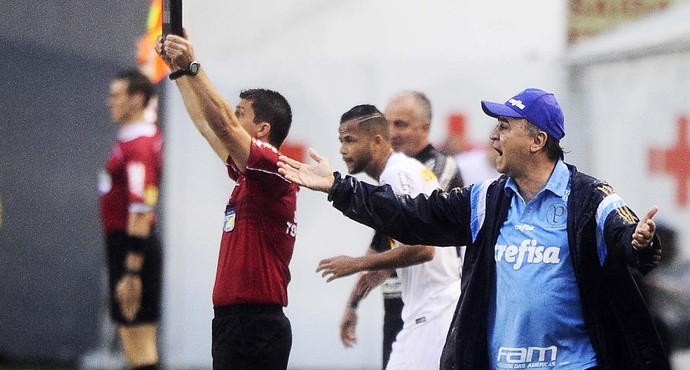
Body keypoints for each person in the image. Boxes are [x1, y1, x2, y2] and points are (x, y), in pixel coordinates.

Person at [278, 88, 669, 369]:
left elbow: (629, 236)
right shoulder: (486, 199)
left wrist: (640, 243)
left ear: (537, 140)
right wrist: (338, 186)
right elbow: (409, 215)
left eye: (504, 125)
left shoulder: (589, 197)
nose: (493, 136)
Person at [156, 32, 297, 370]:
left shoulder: (273, 169)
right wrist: (178, 72)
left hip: (256, 324)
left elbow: (221, 123)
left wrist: (192, 66)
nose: (233, 119)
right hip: (234, 322)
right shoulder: (250, 176)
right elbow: (207, 124)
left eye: (241, 114)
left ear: (262, 129)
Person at [316, 104, 460, 369]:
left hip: (435, 313)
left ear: (377, 141)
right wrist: (354, 304)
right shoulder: (399, 172)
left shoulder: (397, 175)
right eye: (340, 141)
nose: (342, 149)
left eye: (349, 140)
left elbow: (425, 248)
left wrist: (355, 263)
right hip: (424, 313)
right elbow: (388, 253)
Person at [99, 69, 163, 370]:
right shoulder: (131, 140)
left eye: (116, 95)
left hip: (133, 247)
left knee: (139, 341)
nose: (109, 101)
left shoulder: (139, 146)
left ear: (137, 99)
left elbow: (141, 209)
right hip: (123, 244)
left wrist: (131, 270)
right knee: (130, 337)